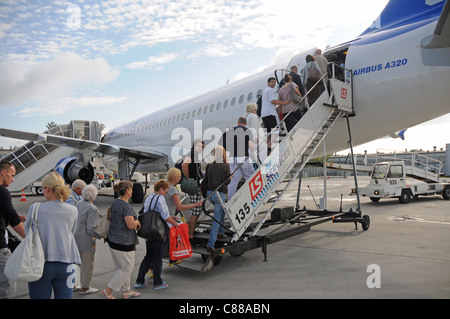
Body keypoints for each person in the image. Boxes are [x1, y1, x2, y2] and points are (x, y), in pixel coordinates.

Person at [25, 171, 81, 299]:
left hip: (41, 264)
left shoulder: (35, 208)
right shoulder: (73, 210)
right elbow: (72, 232)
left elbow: (28, 233)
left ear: (47, 189)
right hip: (66, 263)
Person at [135, 180, 179, 290]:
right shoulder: (160, 199)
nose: (166, 193)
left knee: (148, 255)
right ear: (161, 189)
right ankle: (157, 282)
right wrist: (174, 223)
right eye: (165, 191)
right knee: (157, 257)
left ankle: (140, 280)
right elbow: (164, 216)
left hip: (148, 230)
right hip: (158, 232)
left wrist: (170, 217)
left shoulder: (149, 198)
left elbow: (150, 212)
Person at [101, 180, 141, 299]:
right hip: (124, 242)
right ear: (128, 191)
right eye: (132, 189)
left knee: (121, 267)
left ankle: (126, 290)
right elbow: (130, 225)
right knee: (127, 267)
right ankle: (108, 290)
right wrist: (137, 221)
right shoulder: (126, 206)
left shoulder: (116, 203)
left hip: (113, 240)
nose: (132, 191)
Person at [0, 162, 26, 299]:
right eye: (12, 175)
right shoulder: (2, 191)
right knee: (6, 286)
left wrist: (8, 221)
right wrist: (28, 238)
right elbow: (14, 218)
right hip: (0, 248)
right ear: (4, 172)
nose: (13, 179)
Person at [74, 184, 103, 295]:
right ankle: (85, 288)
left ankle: (76, 284)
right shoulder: (92, 208)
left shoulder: (79, 203)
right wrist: (101, 236)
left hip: (76, 237)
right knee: (87, 265)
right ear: (94, 196)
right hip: (86, 240)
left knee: (77, 264)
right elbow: (91, 229)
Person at [220, 117, 255, 199]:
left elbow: (222, 145)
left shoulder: (230, 131)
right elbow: (251, 145)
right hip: (243, 157)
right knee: (250, 176)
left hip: (232, 158)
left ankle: (230, 199)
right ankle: (248, 196)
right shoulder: (247, 130)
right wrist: (253, 152)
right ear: (245, 124)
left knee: (233, 180)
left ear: (238, 122)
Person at [204, 146, 230, 251]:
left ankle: (221, 232)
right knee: (217, 218)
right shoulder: (225, 166)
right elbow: (227, 181)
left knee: (222, 210)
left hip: (210, 193)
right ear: (223, 154)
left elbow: (206, 179)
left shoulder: (209, 166)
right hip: (220, 193)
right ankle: (211, 244)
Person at [181, 139, 205, 239]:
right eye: (199, 146)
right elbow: (184, 165)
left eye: (202, 147)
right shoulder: (192, 154)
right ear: (194, 146)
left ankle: (190, 232)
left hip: (196, 185)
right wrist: (188, 178)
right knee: (195, 212)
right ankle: (190, 234)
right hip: (193, 186)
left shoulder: (195, 155)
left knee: (196, 211)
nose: (201, 148)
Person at [261, 77, 290, 155]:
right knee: (275, 132)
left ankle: (267, 150)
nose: (274, 83)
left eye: (274, 82)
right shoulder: (270, 90)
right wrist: (284, 103)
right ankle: (270, 146)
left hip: (264, 114)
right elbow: (273, 101)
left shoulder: (265, 90)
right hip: (270, 114)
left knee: (268, 133)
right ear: (268, 82)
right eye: (272, 82)